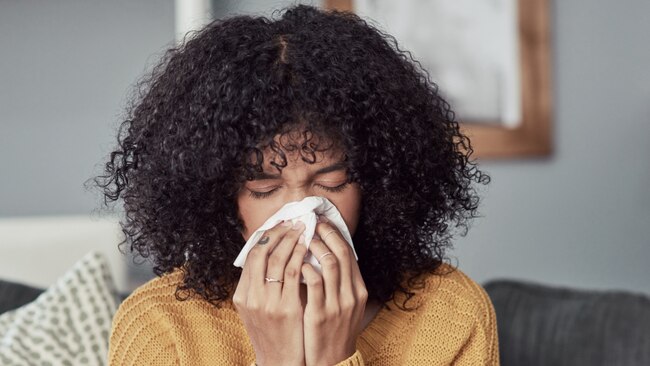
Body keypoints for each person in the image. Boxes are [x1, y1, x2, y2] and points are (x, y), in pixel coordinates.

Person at [95, 4, 497, 365]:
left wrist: (334, 357)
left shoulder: (451, 313)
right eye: (265, 188)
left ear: (377, 182)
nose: (303, 211)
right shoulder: (161, 327)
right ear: (219, 196)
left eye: (332, 180)